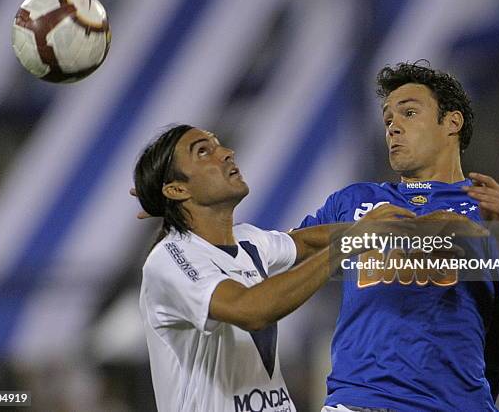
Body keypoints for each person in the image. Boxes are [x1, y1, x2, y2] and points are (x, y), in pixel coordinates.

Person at [298, 62, 499, 412]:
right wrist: (355, 236)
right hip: (356, 402)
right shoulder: (354, 202)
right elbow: (280, 258)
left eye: (408, 113)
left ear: (452, 123)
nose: (393, 127)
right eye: (388, 119)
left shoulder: (496, 208)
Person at [132, 124, 421, 412]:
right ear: (177, 189)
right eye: (203, 152)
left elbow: (305, 242)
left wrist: (381, 230)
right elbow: (250, 310)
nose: (227, 153)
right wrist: (350, 242)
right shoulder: (170, 259)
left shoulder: (247, 239)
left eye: (218, 144)